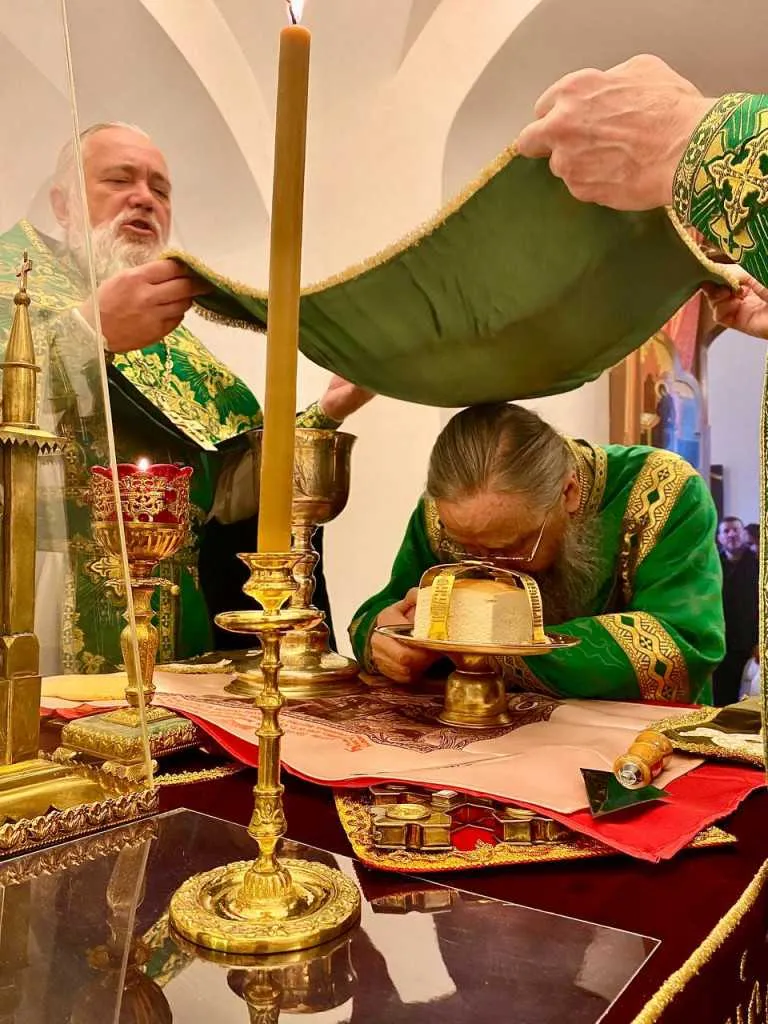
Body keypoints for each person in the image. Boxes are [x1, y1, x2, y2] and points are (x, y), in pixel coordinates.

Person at [0, 122, 374, 673]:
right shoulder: (12, 288)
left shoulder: (179, 349)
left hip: (179, 624)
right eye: (119, 180)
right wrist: (86, 334)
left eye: (161, 189)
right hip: (42, 600)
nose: (144, 198)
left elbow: (228, 500)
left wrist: (329, 408)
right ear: (62, 203)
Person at [349, 403, 724, 703]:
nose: (485, 567)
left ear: (569, 493)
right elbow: (387, 607)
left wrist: (497, 648)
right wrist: (382, 637)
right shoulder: (446, 512)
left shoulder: (662, 490)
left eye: (508, 548)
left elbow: (682, 642)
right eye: (465, 548)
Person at [714, 517, 759, 706]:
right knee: (720, 697)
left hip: (750, 644)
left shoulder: (758, 564)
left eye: (736, 530)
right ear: (719, 538)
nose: (732, 534)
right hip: (720, 641)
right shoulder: (711, 566)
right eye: (726, 531)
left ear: (744, 534)